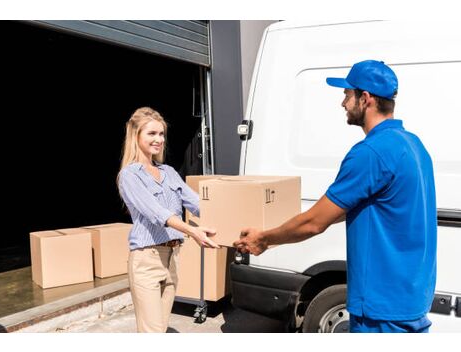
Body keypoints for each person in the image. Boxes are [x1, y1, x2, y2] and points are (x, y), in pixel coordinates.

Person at [234, 60, 437, 333]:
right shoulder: (414, 145)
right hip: (411, 297)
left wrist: (263, 239)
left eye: (347, 94)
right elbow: (346, 208)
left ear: (365, 99)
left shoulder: (371, 152)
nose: (342, 103)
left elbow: (314, 223)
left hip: (381, 306)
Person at [117, 107, 219, 333]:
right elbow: (157, 213)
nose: (159, 139)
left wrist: (229, 216)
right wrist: (193, 231)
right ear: (136, 136)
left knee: (160, 329)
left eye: (161, 134)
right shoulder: (130, 175)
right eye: (152, 134)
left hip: (172, 257)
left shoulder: (169, 172)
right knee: (152, 331)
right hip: (146, 259)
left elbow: (196, 203)